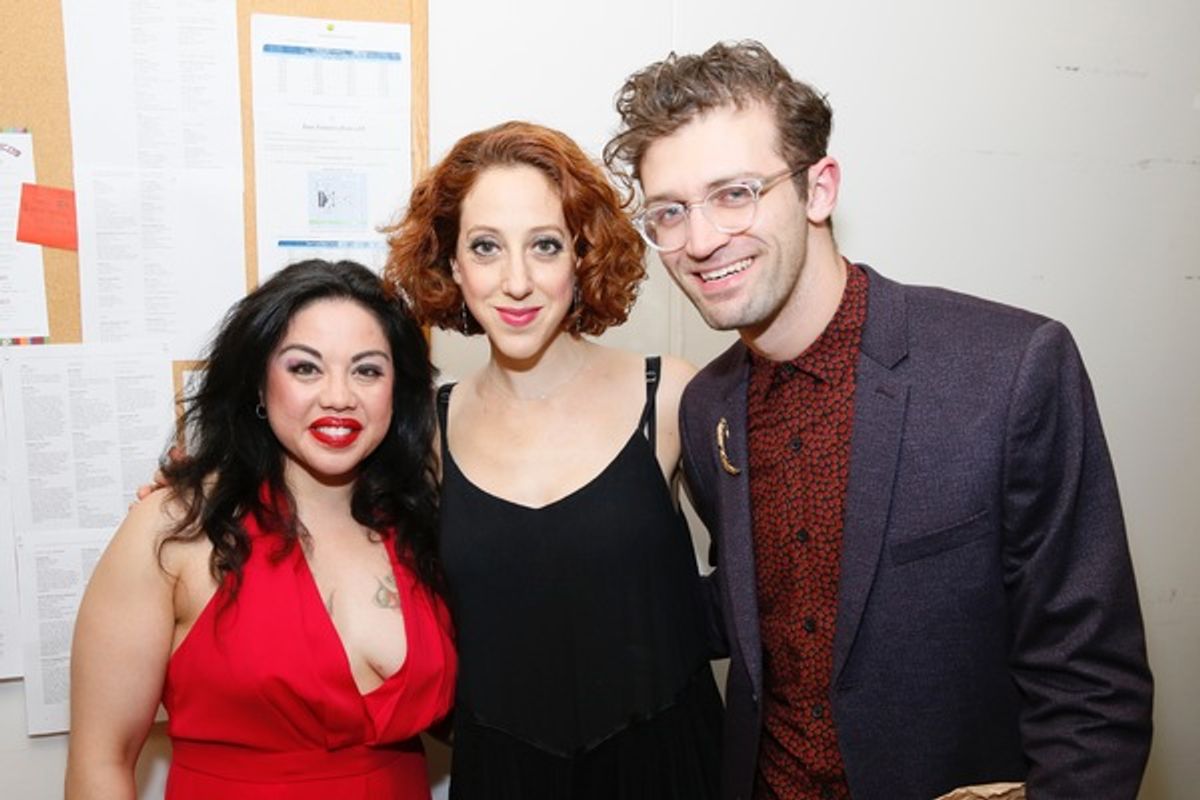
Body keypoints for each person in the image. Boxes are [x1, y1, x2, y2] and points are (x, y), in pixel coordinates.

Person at [603, 40, 1154, 800]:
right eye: (670, 211)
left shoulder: (1009, 368)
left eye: (735, 194)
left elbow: (1093, 684)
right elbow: (763, 608)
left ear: (818, 189)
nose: (699, 242)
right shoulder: (708, 410)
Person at [383, 120, 722, 799]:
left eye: (544, 245)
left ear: (581, 255)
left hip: (672, 769)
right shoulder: (426, 432)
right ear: (452, 264)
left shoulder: (670, 396)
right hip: (503, 776)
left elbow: (771, 577)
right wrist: (192, 488)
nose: (516, 281)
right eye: (485, 247)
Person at [66, 260, 456, 800]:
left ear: (398, 390)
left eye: (367, 370)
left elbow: (474, 717)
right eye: (305, 368)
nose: (339, 396)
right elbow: (99, 764)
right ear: (258, 378)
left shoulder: (426, 527)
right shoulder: (173, 530)